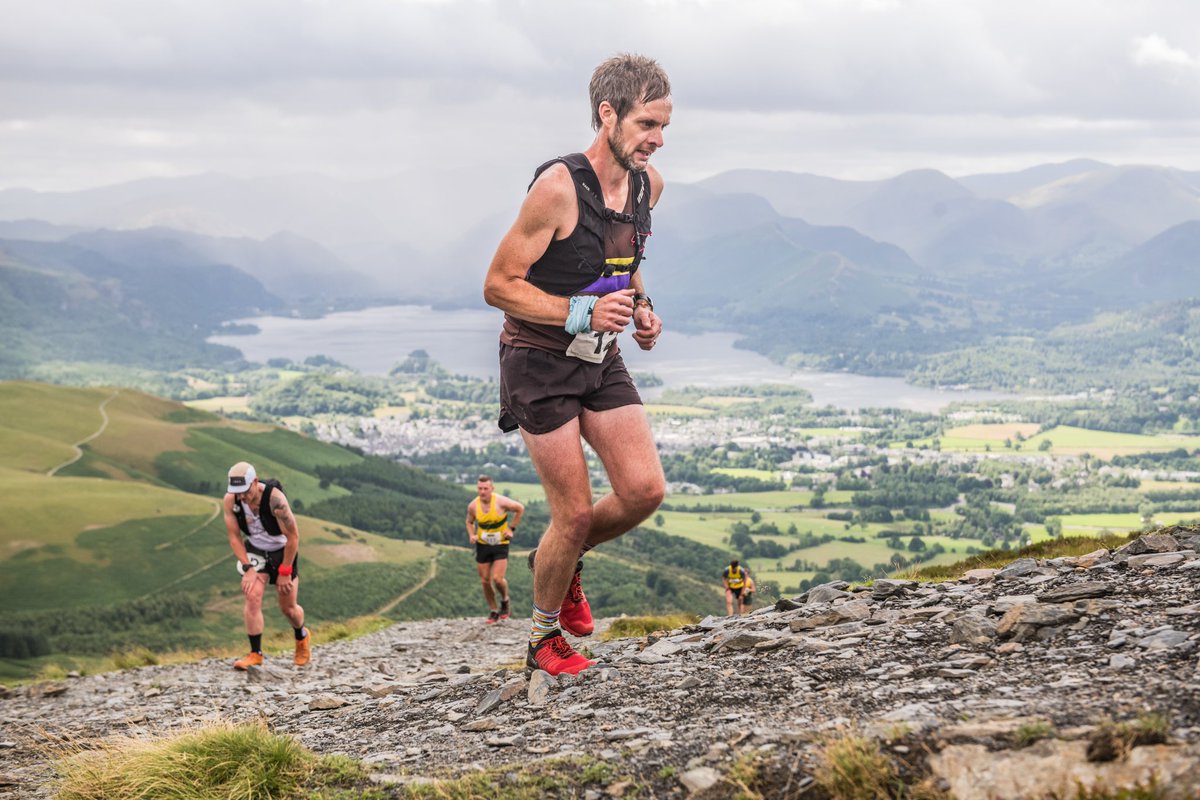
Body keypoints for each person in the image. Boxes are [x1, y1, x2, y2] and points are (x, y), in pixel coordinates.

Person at [483, 53, 671, 676]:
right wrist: (579, 314)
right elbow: (498, 284)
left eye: (664, 126)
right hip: (538, 361)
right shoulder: (558, 188)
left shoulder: (650, 185)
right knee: (575, 512)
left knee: (644, 490)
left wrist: (641, 305)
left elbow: (624, 257)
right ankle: (542, 642)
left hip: (599, 358)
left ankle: (557, 562)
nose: (657, 139)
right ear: (607, 114)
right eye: (646, 124)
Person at [222, 462, 310, 669]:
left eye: (245, 491)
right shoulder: (231, 501)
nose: (242, 497)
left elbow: (293, 537)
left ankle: (301, 636)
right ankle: (255, 654)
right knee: (252, 595)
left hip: (283, 551)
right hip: (256, 549)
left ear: (255, 482)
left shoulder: (275, 499)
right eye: (237, 492)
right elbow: (234, 536)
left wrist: (285, 571)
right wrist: (247, 568)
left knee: (288, 608)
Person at [466, 474, 525, 624]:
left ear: (492, 488)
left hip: (500, 543)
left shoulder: (500, 501)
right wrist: (471, 534)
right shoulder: (473, 506)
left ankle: (505, 600)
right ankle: (493, 610)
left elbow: (520, 509)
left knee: (498, 579)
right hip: (483, 545)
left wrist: (511, 529)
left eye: (486, 488)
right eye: (480, 488)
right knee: (485, 581)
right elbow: (469, 521)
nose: (482, 491)